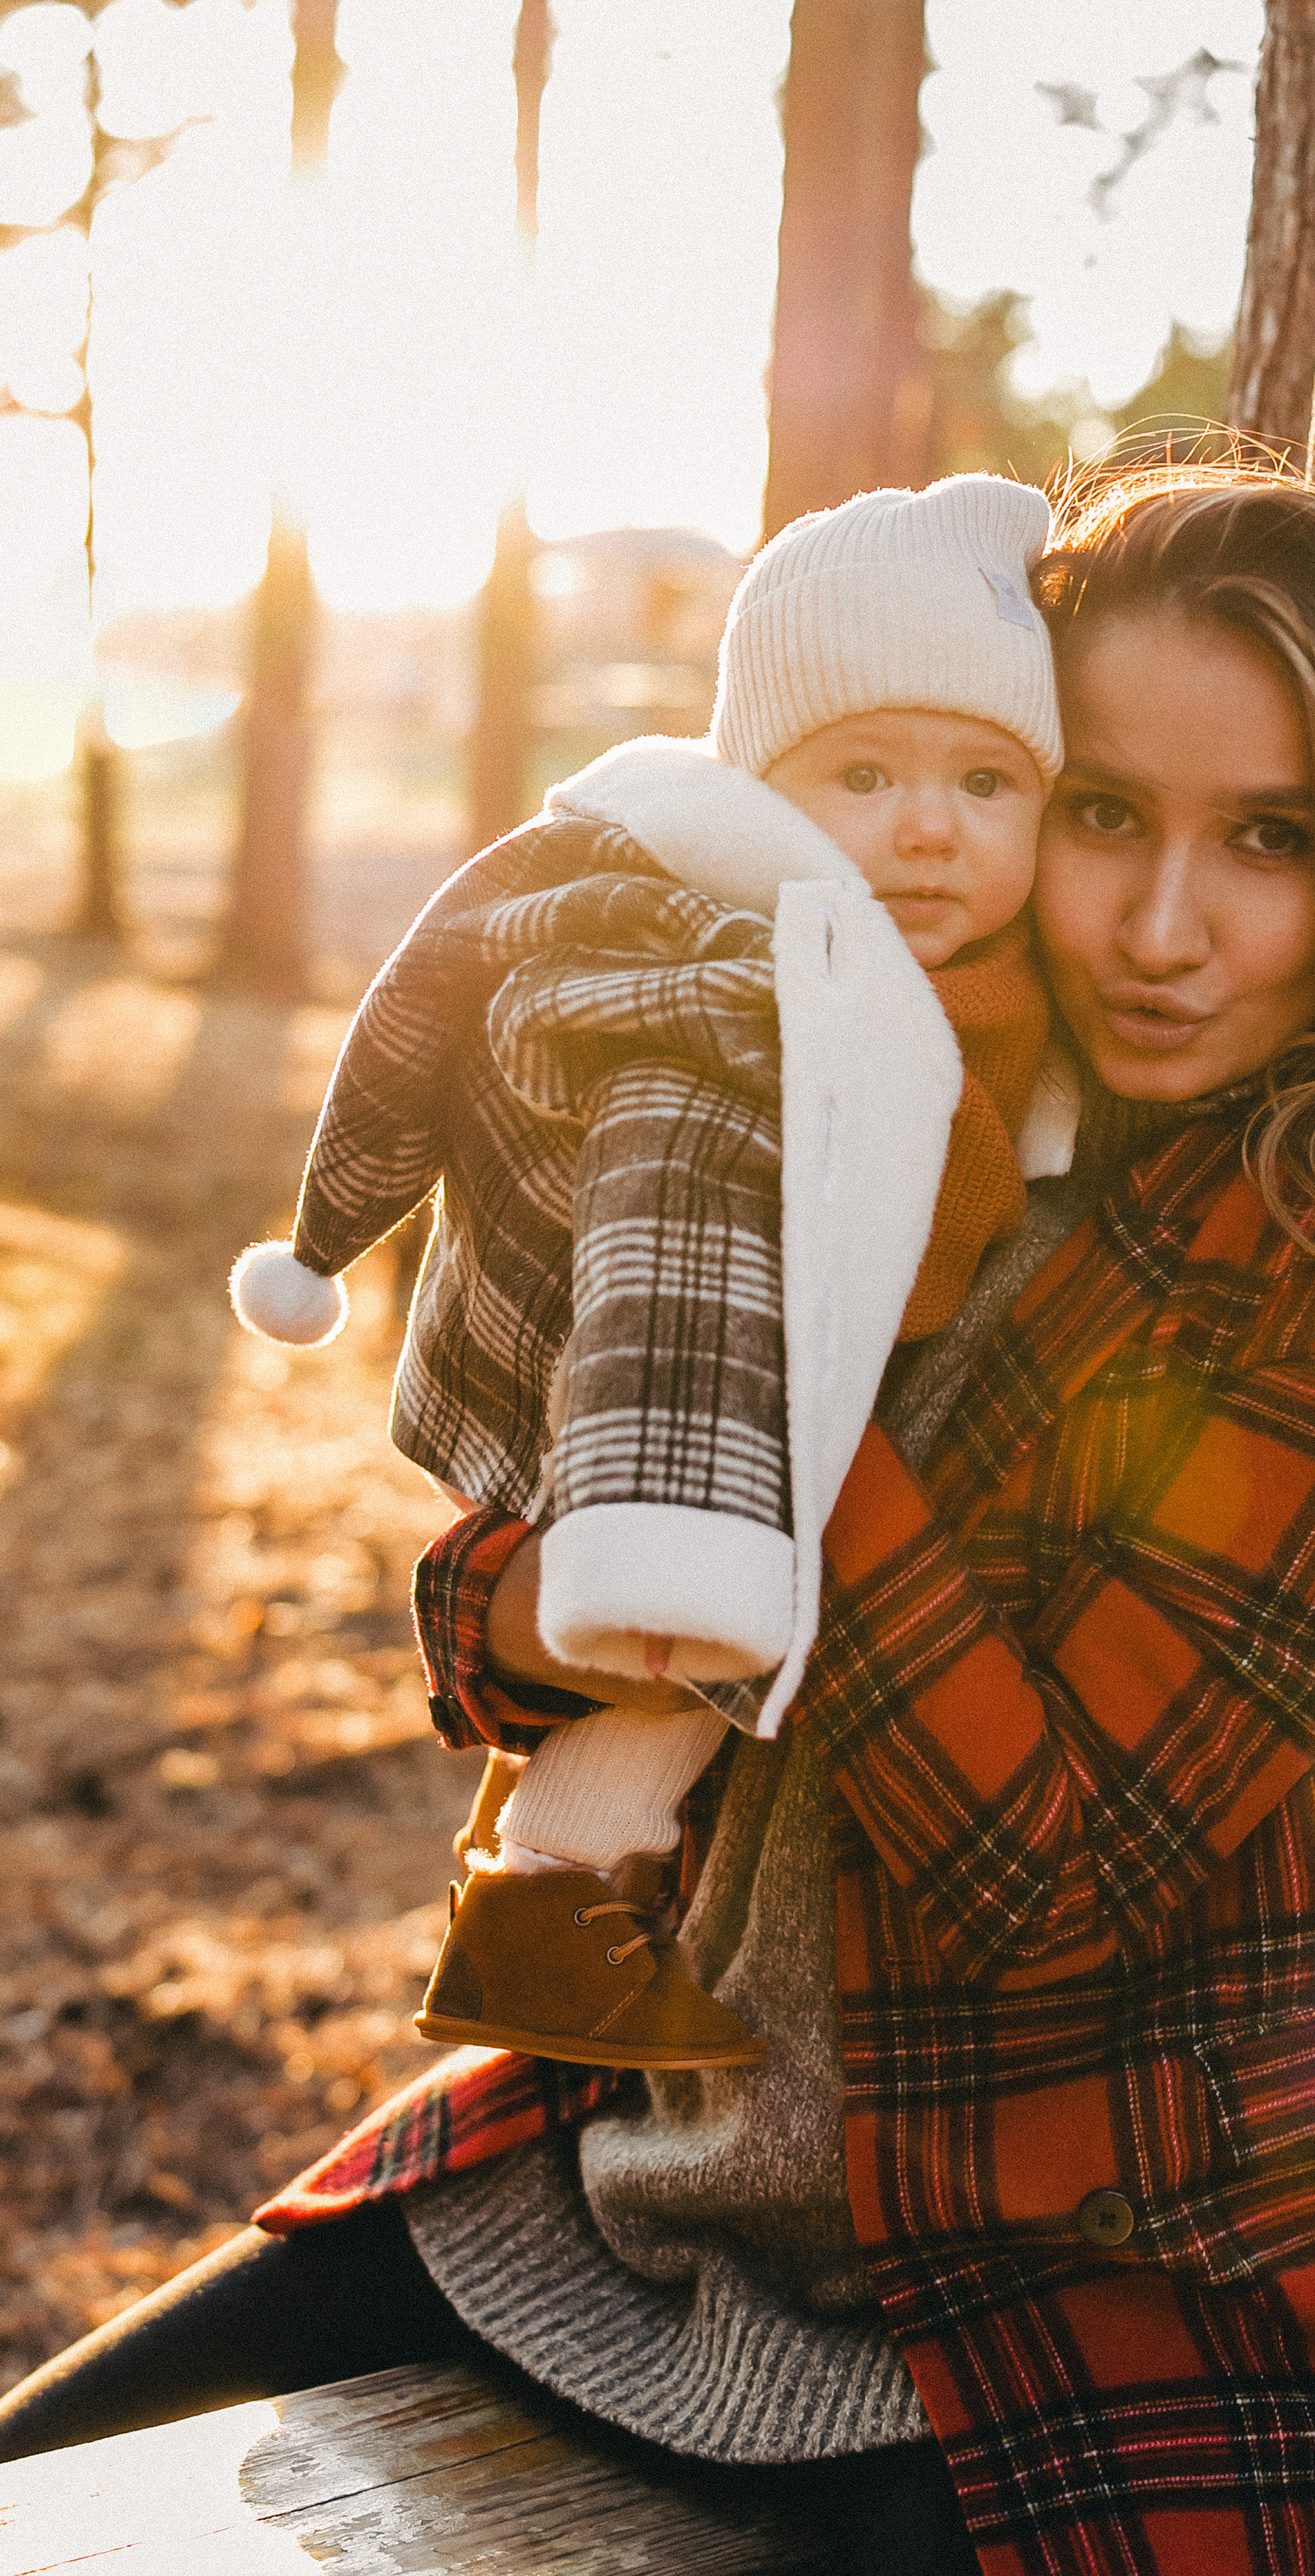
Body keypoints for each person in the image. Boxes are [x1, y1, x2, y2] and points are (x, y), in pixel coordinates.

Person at [0, 468, 1315, 2576]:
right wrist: (590, 1567)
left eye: (1271, 841)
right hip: (675, 2164)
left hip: (1106, 2282)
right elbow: (509, 1605)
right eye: (1100, 814)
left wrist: (800, 1330)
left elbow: (1043, 1872)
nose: (1164, 928)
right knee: (40, 2552)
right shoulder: (885, 1057)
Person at [228, 473, 1069, 2074]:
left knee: (686, 1662)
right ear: (764, 788)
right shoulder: (727, 991)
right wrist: (671, 1528)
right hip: (663, 1409)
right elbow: (665, 1234)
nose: (927, 825)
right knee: (680, 1651)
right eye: (863, 773)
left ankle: (547, 1902)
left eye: (985, 779)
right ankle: (546, 1901)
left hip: (802, 1413)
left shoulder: (999, 985)